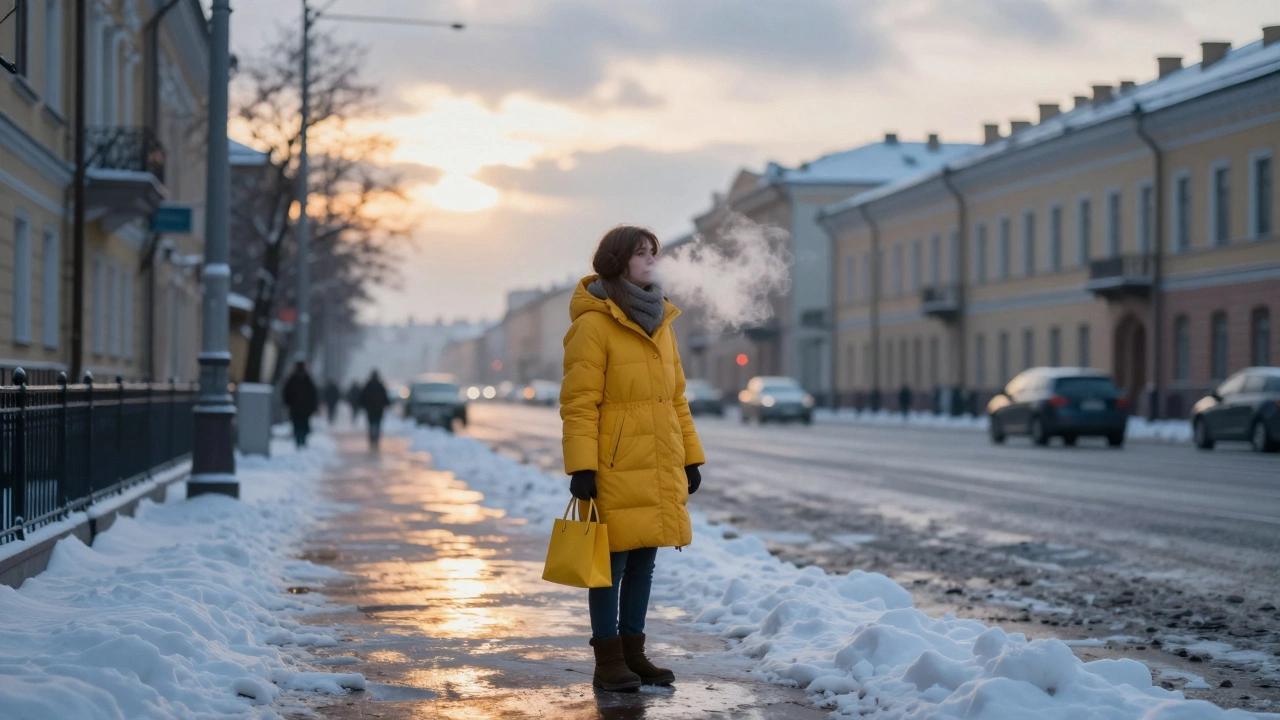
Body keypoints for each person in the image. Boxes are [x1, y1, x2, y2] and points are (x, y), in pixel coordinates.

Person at [560, 225, 705, 693]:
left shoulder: (661, 322)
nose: (651, 260)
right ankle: (608, 659)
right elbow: (579, 402)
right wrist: (582, 467)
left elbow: (676, 398)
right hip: (614, 464)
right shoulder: (593, 324)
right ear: (618, 260)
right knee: (610, 563)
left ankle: (634, 653)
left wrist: (691, 458)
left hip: (659, 459)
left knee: (645, 560)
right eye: (643, 253)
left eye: (653, 253)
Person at [283, 360, 319, 448]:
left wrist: (288, 404)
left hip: (296, 409)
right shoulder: (307, 379)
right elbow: (313, 395)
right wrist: (313, 407)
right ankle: (301, 441)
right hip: (304, 409)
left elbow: (286, 393)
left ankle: (299, 441)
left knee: (297, 425)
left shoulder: (292, 379)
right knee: (303, 424)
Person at [359, 370, 391, 450]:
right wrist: (386, 404)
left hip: (370, 410)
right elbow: (385, 397)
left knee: (371, 424)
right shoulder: (380, 385)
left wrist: (363, 405)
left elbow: (362, 397)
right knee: (377, 425)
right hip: (378, 410)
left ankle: (372, 439)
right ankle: (376, 439)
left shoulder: (368, 385)